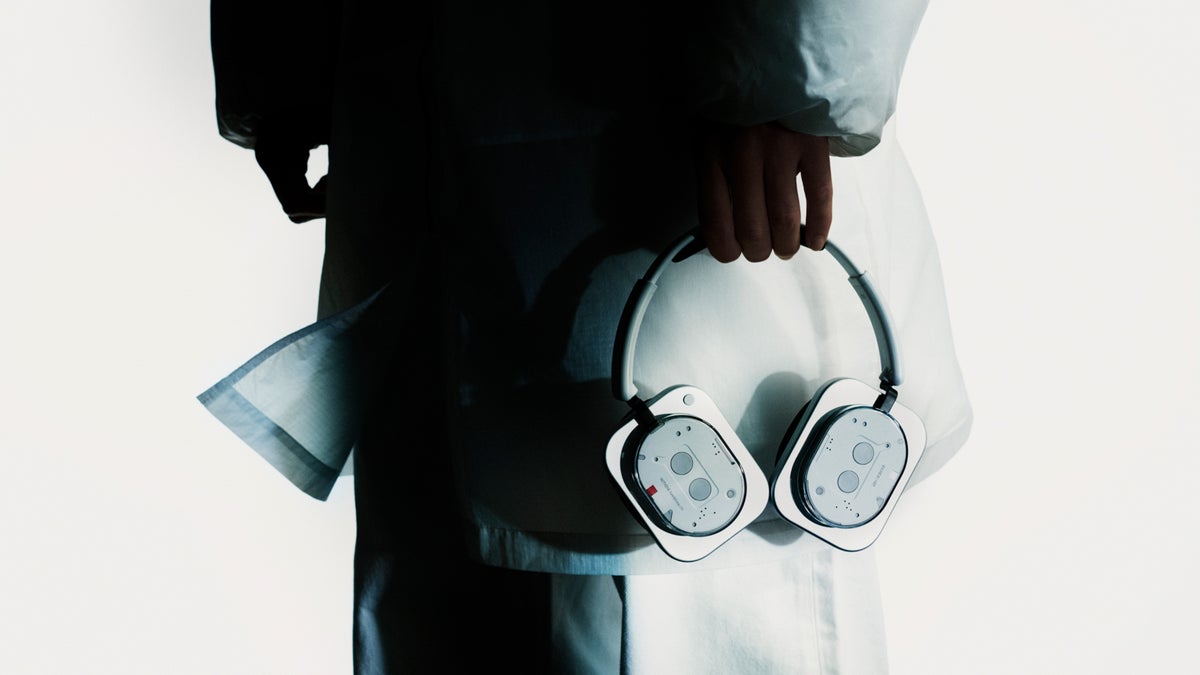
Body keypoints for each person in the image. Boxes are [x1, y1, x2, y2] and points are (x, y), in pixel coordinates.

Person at [202, 1, 973, 672]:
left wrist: (788, 76)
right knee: (450, 595)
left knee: (682, 593)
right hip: (411, 103)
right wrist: (282, 61)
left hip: (681, 108)